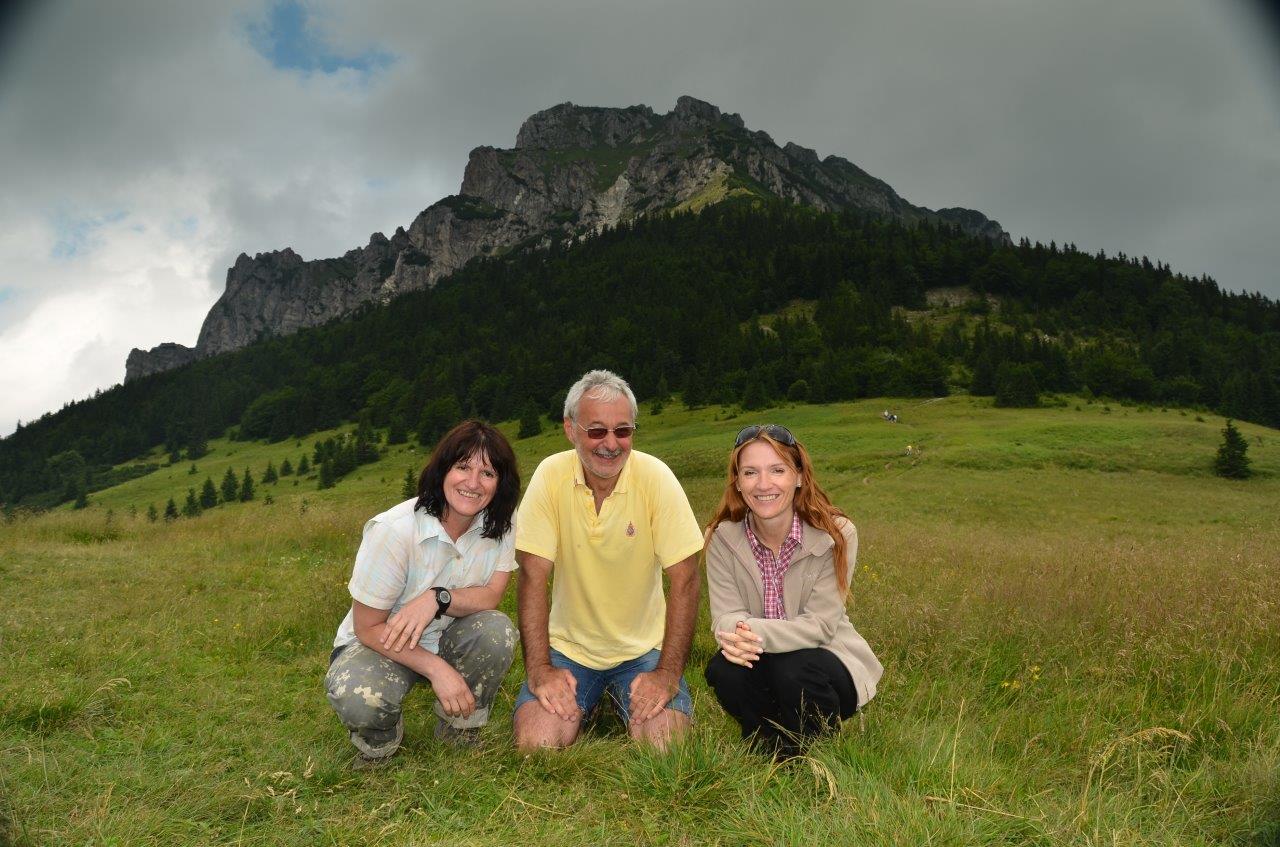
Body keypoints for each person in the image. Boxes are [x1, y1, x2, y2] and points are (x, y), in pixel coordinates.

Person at [513, 370, 704, 750]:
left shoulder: (656, 478)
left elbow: (686, 578)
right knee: (537, 744)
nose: (611, 444)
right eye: (596, 431)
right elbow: (533, 577)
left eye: (623, 431)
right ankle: (588, 700)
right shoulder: (550, 476)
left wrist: (667, 674)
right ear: (571, 429)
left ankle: (608, 701)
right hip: (568, 650)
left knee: (667, 748)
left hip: (643, 651)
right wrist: (540, 670)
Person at [324, 420, 520, 766]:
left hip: (448, 635)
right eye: (463, 467)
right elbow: (367, 627)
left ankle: (459, 727)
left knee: (496, 629)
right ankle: (379, 744)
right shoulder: (394, 530)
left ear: (500, 483)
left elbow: (491, 596)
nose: (473, 483)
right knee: (359, 696)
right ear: (443, 469)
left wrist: (437, 597)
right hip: (381, 641)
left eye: (487, 473)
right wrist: (436, 670)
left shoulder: (501, 523)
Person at [703, 424, 882, 759]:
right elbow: (724, 616)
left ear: (799, 476)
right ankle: (764, 741)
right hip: (761, 660)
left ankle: (816, 749)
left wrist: (748, 632)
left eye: (778, 470)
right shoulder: (722, 538)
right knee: (724, 669)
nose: (764, 484)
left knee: (792, 667)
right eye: (751, 472)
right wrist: (735, 633)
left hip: (824, 662)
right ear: (738, 483)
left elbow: (821, 626)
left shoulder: (836, 534)